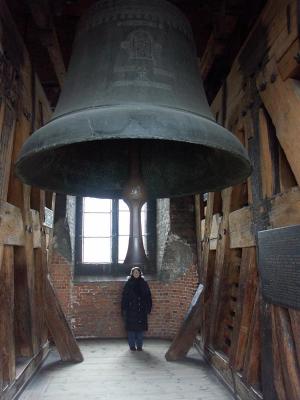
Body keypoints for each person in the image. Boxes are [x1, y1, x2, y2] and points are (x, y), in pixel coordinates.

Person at [121, 266, 152, 351]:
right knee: (131, 330)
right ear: (132, 274)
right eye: (134, 272)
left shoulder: (144, 283)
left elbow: (148, 296)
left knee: (140, 329)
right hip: (131, 310)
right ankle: (132, 346)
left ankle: (139, 346)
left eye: (137, 272)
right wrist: (124, 309)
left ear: (140, 273)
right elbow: (124, 297)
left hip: (141, 309)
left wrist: (148, 307)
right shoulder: (128, 283)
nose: (136, 274)